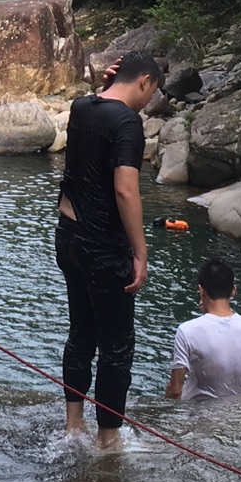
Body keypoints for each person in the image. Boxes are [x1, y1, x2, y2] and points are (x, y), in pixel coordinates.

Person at [57, 51, 163, 449]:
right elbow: (125, 189)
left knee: (81, 333)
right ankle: (107, 438)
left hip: (67, 237)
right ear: (145, 82)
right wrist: (140, 252)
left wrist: (103, 88)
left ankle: (73, 426)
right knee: (117, 345)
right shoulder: (127, 123)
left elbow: (97, 113)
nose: (148, 101)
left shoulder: (82, 106)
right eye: (151, 92)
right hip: (103, 246)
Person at [165, 257, 241, 402]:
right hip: (239, 412)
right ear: (233, 291)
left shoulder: (187, 331)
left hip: (198, 414)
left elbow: (174, 391)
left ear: (201, 290)